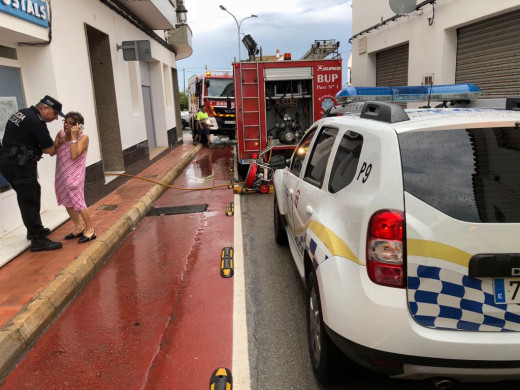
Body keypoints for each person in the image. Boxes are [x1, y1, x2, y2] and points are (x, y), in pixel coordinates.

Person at [0, 95, 64, 252]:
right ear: (44, 108)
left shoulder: (23, 113)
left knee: (32, 193)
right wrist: (61, 141)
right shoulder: (36, 122)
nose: (56, 118)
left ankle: (34, 230)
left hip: (11, 161)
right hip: (18, 164)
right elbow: (50, 150)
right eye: (55, 113)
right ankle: (37, 240)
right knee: (29, 198)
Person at [54, 112, 95, 243]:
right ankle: (78, 227)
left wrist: (73, 137)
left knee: (79, 203)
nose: (66, 124)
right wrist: (58, 143)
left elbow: (74, 154)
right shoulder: (60, 134)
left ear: (78, 126)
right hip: (61, 174)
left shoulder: (83, 137)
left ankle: (90, 230)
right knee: (67, 201)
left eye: (70, 123)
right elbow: (53, 152)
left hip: (75, 175)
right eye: (65, 121)